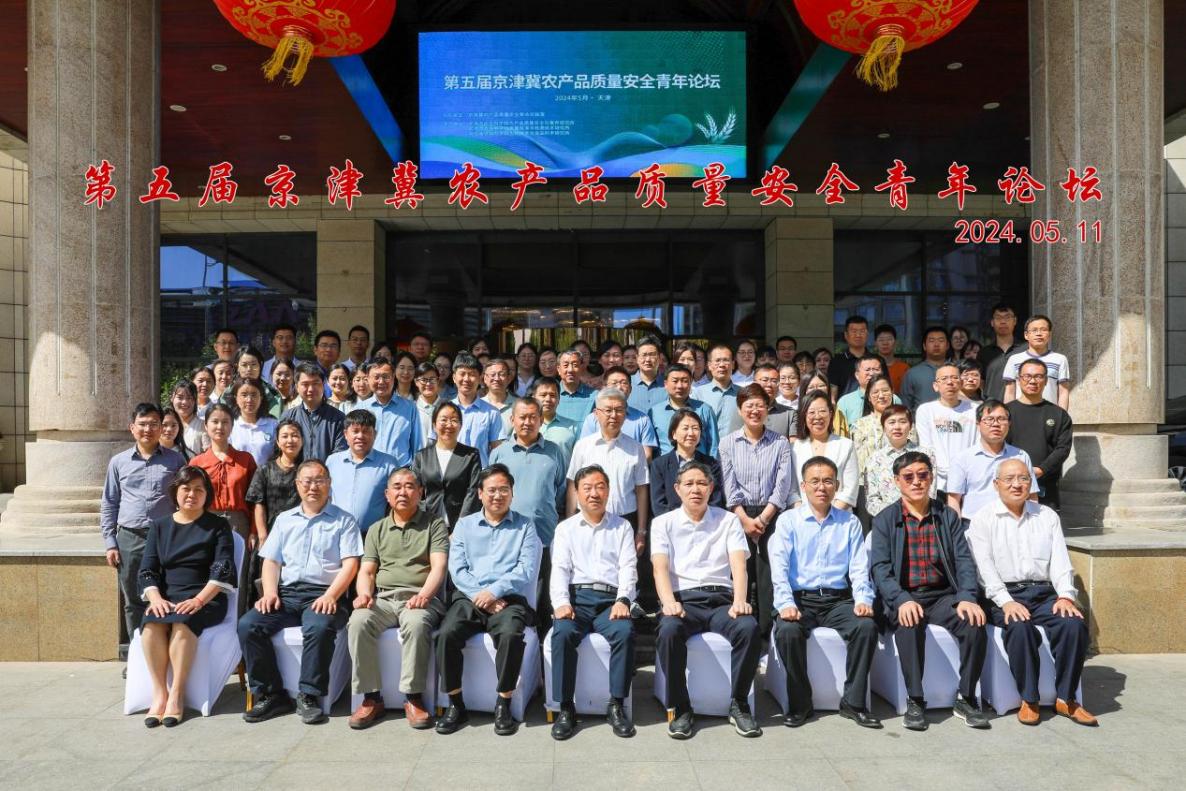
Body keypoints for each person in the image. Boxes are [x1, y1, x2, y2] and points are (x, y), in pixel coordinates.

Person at [966, 459, 1096, 726]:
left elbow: (1060, 562)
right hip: (1002, 595)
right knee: (1019, 626)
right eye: (1009, 479)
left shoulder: (1046, 516)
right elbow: (984, 569)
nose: (1017, 484)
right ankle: (1029, 699)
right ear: (996, 484)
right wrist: (1006, 602)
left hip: (1044, 593)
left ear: (1031, 483)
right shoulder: (983, 519)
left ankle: (1066, 698)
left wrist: (1065, 596)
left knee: (1073, 624)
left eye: (1023, 478)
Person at [870, 451, 990, 731]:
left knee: (974, 622)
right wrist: (901, 599)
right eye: (908, 477)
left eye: (922, 475)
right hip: (905, 596)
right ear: (897, 481)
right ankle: (915, 699)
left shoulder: (946, 516)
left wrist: (967, 597)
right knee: (909, 624)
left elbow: (964, 561)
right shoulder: (885, 520)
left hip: (943, 596)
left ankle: (966, 697)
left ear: (931, 477)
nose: (916, 482)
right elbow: (880, 569)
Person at [239, 460, 363, 725]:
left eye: (319, 480)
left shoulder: (344, 520)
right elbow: (271, 561)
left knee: (319, 627)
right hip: (286, 594)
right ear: (297, 485)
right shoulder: (285, 520)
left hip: (326, 594)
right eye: (307, 481)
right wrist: (269, 592)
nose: (313, 486)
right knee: (249, 625)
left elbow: (351, 565)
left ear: (329, 484)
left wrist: (331, 595)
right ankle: (272, 694)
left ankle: (308, 695)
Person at [652, 461, 762, 739]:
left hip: (721, 600)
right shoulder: (662, 523)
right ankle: (681, 707)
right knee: (668, 630)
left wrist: (740, 600)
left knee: (748, 627)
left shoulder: (728, 520)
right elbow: (659, 568)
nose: (695, 489)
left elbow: (739, 565)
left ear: (711, 488)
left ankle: (739, 704)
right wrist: (668, 602)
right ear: (677, 489)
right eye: (688, 484)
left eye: (701, 483)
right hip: (683, 600)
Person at [770, 456, 880, 729]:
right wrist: (785, 603)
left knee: (866, 627)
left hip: (837, 600)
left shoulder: (850, 522)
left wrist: (863, 599)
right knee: (787, 631)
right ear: (803, 486)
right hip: (800, 599)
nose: (822, 487)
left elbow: (859, 567)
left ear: (837, 486)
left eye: (828, 481)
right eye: (815, 481)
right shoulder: (788, 521)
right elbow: (779, 568)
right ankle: (800, 704)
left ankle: (853, 703)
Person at [436, 464, 541, 736]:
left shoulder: (525, 526)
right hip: (468, 597)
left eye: (504, 490)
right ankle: (455, 704)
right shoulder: (465, 525)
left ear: (512, 493)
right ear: (480, 493)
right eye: (492, 490)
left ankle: (503, 702)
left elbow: (526, 569)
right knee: (446, 634)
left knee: (510, 634)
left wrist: (494, 592)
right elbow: (457, 569)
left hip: (509, 599)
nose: (498, 495)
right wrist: (480, 595)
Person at [347, 467, 449, 730]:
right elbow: (367, 571)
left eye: (409, 486)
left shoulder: (434, 524)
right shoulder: (377, 529)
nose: (403, 492)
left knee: (416, 623)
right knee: (358, 620)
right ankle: (371, 698)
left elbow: (438, 567)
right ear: (387, 494)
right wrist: (364, 594)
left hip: (421, 598)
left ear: (420, 492)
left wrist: (424, 595)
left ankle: (413, 698)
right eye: (397, 486)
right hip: (383, 599)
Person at [137, 465, 237, 727]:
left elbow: (223, 567)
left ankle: (177, 695)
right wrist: (156, 599)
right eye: (186, 488)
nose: (192, 494)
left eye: (198, 490)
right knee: (151, 624)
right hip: (168, 598)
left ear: (207, 494)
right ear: (176, 492)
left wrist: (198, 600)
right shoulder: (159, 526)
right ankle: (160, 693)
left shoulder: (218, 526)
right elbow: (147, 569)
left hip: (206, 598)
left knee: (183, 622)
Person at [549, 464, 639, 740]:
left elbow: (628, 567)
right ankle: (566, 708)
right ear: (576, 493)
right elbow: (560, 569)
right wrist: (561, 602)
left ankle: (616, 705)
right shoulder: (565, 529)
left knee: (624, 632)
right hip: (577, 599)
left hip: (611, 600)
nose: (594, 493)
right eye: (587, 488)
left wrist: (623, 600)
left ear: (609, 491)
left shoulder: (622, 526)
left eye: (600, 487)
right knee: (563, 633)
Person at [101, 403, 187, 641]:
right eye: (142, 424)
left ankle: (165, 649)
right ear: (132, 428)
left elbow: (184, 500)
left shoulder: (176, 460)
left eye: (153, 424)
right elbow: (109, 502)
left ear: (161, 428)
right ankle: (137, 652)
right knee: (133, 598)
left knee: (167, 593)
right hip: (130, 537)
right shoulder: (118, 462)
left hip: (166, 537)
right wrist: (110, 542)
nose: (148, 429)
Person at [719, 384, 795, 640]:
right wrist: (744, 519)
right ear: (740, 410)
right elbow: (729, 485)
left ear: (767, 409)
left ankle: (767, 634)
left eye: (760, 405)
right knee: (740, 572)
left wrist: (763, 518)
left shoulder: (780, 443)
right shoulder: (728, 443)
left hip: (771, 514)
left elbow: (782, 485)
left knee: (769, 574)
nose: (754, 410)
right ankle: (742, 632)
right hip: (738, 515)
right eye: (749, 405)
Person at [490, 399, 566, 548]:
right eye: (523, 417)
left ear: (541, 420)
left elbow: (561, 488)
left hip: (545, 535)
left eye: (533, 417)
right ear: (512, 420)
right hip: (506, 537)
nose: (527, 422)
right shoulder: (499, 453)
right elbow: (489, 494)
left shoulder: (554, 452)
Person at [947, 400, 1039, 523]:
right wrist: (957, 530)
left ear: (1009, 424)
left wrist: (1033, 523)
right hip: (974, 524)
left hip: (1014, 523)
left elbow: (1031, 496)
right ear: (978, 424)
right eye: (989, 419)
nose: (996, 424)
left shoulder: (1021, 456)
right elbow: (953, 500)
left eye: (1001, 419)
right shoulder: (962, 459)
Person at [245, 418, 305, 603]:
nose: (290, 440)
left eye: (295, 435)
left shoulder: (306, 470)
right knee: (262, 582)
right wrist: (263, 536)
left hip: (299, 534)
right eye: (285, 436)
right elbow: (259, 503)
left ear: (302, 440)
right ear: (278, 442)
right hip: (270, 533)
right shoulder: (265, 469)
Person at [1006, 359, 1074, 510]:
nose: (1032, 381)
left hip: (1045, 484)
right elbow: (997, 445)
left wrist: (1041, 470)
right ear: (1019, 379)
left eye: (1038, 376)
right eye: (1027, 376)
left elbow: (1063, 449)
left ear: (1046, 380)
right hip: (1009, 483)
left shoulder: (1059, 415)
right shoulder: (1005, 412)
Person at [190, 404, 257, 544]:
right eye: (215, 421)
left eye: (225, 422)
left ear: (232, 426)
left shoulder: (245, 460)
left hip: (239, 524)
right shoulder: (197, 462)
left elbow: (255, 500)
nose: (220, 427)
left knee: (238, 557)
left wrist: (254, 531)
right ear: (206, 425)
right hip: (205, 523)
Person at [327, 410, 399, 537]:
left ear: (374, 434)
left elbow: (395, 502)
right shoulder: (332, 462)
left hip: (374, 536)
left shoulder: (389, 464)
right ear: (345, 434)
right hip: (336, 534)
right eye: (355, 431)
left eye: (366, 431)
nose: (360, 436)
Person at [411, 402, 481, 531]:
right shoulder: (422, 456)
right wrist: (421, 520)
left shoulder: (471, 455)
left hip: (461, 526)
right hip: (428, 526)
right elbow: (416, 491)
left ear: (460, 425)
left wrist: (461, 527)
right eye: (443, 420)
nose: (449, 425)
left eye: (454, 420)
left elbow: (473, 492)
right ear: (434, 425)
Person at [915, 363, 979, 493]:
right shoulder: (926, 410)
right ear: (935, 386)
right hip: (937, 481)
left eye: (954, 378)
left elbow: (978, 444)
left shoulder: (974, 409)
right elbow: (926, 447)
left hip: (969, 477)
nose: (950, 382)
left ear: (961, 383)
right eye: (944, 379)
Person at [863, 405, 936, 519]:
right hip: (887, 521)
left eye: (902, 422)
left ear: (910, 426)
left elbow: (931, 491)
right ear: (883, 427)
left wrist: (914, 515)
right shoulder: (874, 459)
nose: (897, 427)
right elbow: (872, 500)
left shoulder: (926, 455)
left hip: (921, 519)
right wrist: (893, 517)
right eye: (891, 422)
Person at [649, 409, 725, 516]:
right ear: (674, 434)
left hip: (706, 522)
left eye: (695, 428)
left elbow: (716, 501)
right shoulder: (659, 465)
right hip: (671, 523)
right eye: (685, 428)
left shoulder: (711, 464)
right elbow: (659, 505)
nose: (691, 433)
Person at [791, 392, 858, 511]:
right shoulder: (794, 448)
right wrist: (803, 515)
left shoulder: (846, 445)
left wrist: (829, 516)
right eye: (812, 412)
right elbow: (792, 491)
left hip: (839, 516)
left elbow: (850, 489)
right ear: (804, 415)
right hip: (803, 517)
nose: (817, 417)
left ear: (831, 414)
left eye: (822, 411)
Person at [580, 366, 660, 459]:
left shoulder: (642, 419)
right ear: (604, 388)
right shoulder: (593, 418)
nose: (619, 387)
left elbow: (647, 455)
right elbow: (585, 450)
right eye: (614, 383)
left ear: (630, 389)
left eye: (624, 383)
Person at [440, 353, 503, 467]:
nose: (466, 379)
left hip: (480, 474)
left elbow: (497, 451)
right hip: (449, 473)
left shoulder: (492, 413)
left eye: (472, 374)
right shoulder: (443, 410)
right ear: (454, 377)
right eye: (462, 374)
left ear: (480, 378)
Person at [359, 356, 421, 466]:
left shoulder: (410, 408)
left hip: (401, 471)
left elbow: (417, 445)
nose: (381, 381)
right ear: (368, 378)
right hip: (369, 470)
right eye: (376, 377)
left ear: (393, 377)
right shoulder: (360, 409)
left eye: (386, 377)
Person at [280, 363, 347, 462]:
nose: (311, 389)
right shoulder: (288, 417)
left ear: (323, 385)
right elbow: (282, 453)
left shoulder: (338, 418)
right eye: (305, 384)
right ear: (297, 387)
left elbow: (340, 454)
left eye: (315, 383)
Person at [1003, 315, 1072, 410]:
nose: (1039, 334)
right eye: (1034, 330)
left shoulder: (1060, 359)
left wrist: (1062, 416)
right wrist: (1008, 414)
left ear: (1049, 334)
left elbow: (1063, 392)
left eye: (1043, 330)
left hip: (1049, 413)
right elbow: (1010, 391)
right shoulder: (1014, 359)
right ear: (1026, 335)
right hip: (1020, 412)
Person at [649, 364, 719, 457]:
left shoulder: (705, 410)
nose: (680, 386)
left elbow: (714, 447)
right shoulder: (655, 412)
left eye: (685, 381)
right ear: (665, 384)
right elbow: (651, 448)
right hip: (666, 465)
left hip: (699, 465)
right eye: (675, 381)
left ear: (691, 383)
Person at [850, 374, 906, 471]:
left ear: (892, 392)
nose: (881, 396)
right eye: (875, 392)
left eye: (885, 391)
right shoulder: (859, 426)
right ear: (869, 397)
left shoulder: (904, 422)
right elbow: (857, 461)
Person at [529, 377, 580, 469]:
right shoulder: (525, 425)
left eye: (552, 395)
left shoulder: (573, 427)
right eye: (543, 395)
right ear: (533, 398)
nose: (548, 399)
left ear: (559, 399)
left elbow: (579, 460)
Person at [836, 354, 899, 428]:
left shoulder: (894, 399)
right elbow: (839, 431)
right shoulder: (845, 402)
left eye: (876, 369)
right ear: (857, 375)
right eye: (867, 370)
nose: (872, 373)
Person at [693, 343, 741, 439]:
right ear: (709, 365)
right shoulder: (698, 394)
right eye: (717, 361)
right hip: (708, 447)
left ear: (733, 364)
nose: (722, 365)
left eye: (726, 360)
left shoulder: (743, 394)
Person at [828, 316, 881, 399]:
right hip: (844, 406)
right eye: (854, 331)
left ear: (867, 334)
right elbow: (832, 394)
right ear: (846, 335)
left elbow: (885, 386)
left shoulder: (878, 360)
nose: (858, 335)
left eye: (862, 331)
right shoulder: (836, 362)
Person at [229, 378, 278, 467]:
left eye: (254, 395)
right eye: (244, 395)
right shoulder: (230, 426)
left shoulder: (273, 425)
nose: (249, 400)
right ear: (236, 398)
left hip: (267, 475)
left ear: (261, 398)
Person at [899, 327, 951, 411]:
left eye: (941, 340)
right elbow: (905, 405)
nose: (936, 344)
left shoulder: (957, 371)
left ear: (947, 345)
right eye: (931, 341)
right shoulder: (912, 373)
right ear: (924, 346)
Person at [227, 346, 283, 417]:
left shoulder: (273, 395)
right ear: (237, 367)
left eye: (253, 364)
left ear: (260, 365)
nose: (249, 369)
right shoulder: (227, 394)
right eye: (244, 365)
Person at [554, 348, 596, 424]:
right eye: (566, 365)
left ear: (581, 368)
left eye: (575, 365)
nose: (570, 370)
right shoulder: (551, 395)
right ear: (558, 369)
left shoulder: (594, 396)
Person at [170, 379, 210, 455]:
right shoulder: (163, 425)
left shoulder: (203, 427)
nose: (184, 402)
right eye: (180, 397)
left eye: (189, 398)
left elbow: (209, 456)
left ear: (195, 401)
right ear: (172, 398)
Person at [628, 336, 666, 413]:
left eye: (652, 355)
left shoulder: (668, 384)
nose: (648, 359)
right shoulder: (627, 383)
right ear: (637, 358)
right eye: (644, 355)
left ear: (659, 358)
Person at [978, 303, 1021, 370]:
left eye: (1007, 317)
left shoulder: (1025, 349)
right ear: (992, 322)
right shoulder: (984, 353)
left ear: (1015, 321)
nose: (1003, 321)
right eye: (998, 318)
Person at [411, 361, 442, 449]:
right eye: (424, 380)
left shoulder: (447, 408)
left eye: (432, 379)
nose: (428, 384)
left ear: (438, 381)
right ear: (416, 382)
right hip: (417, 456)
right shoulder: (411, 409)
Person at [481, 356, 517, 430]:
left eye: (502, 374)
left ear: (509, 378)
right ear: (485, 378)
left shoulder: (518, 405)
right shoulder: (477, 406)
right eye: (492, 374)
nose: (497, 378)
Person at [874, 324, 909, 392]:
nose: (885, 343)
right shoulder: (870, 368)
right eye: (881, 340)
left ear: (895, 342)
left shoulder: (904, 368)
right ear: (875, 343)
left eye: (889, 339)